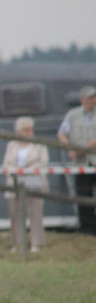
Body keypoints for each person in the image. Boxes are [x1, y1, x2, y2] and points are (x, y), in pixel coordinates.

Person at [2, 116, 49, 253]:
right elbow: (6, 163)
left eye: (31, 129)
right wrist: (15, 171)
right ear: (19, 131)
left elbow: (43, 162)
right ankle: (18, 243)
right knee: (15, 214)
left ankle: (37, 243)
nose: (29, 132)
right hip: (14, 181)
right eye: (26, 130)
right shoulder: (11, 145)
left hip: (34, 180)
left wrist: (27, 171)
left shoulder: (39, 144)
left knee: (35, 212)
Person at [56, 85, 96, 235]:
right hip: (81, 164)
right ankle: (87, 229)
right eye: (91, 97)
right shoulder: (72, 115)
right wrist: (70, 149)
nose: (94, 100)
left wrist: (83, 148)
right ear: (82, 100)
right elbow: (62, 133)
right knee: (83, 195)